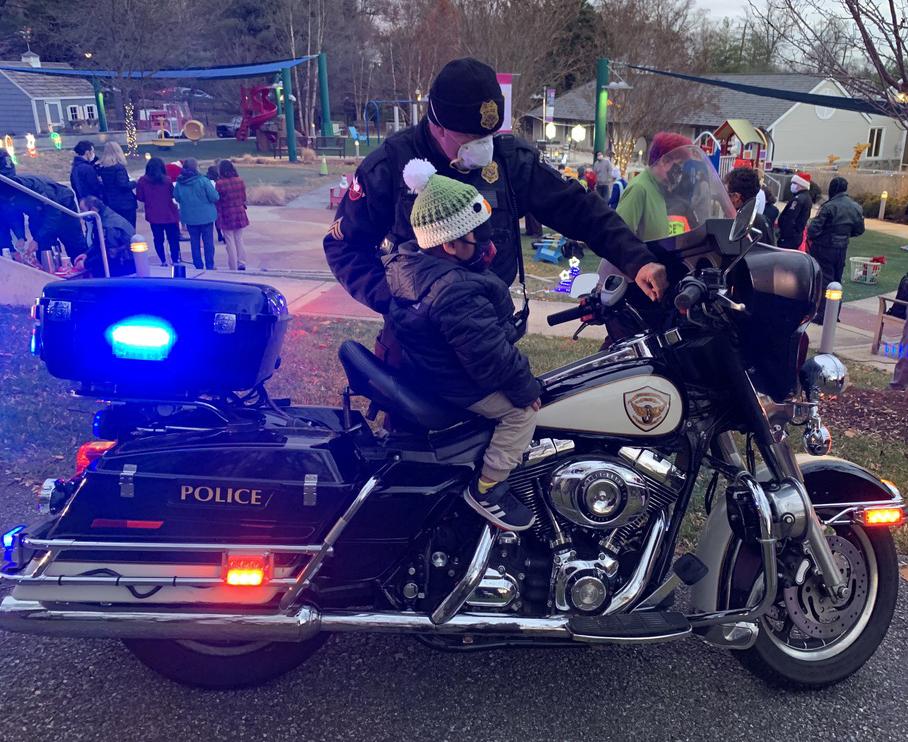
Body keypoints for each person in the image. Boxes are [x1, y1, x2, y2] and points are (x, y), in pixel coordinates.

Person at [324, 57, 666, 362]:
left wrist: (637, 259)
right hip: (415, 346)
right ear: (437, 124)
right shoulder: (390, 165)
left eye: (489, 134)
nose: (483, 146)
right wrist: (395, 302)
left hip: (488, 340)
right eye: (470, 137)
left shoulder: (510, 159)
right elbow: (343, 247)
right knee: (409, 435)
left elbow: (579, 208)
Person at [384, 159, 539, 530]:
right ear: (450, 245)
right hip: (456, 381)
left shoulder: (412, 266)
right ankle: (488, 486)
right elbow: (490, 356)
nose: (485, 244)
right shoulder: (455, 291)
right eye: (477, 237)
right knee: (524, 412)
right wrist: (524, 387)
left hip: (434, 370)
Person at [0, 151, 87, 262]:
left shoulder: (30, 188)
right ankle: (49, 269)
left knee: (74, 243)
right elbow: (13, 213)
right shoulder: (5, 193)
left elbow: (54, 213)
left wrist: (37, 239)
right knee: (43, 249)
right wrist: (20, 236)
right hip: (38, 212)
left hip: (63, 206)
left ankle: (83, 268)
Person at [807, 176, 865, 322]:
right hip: (841, 248)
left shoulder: (829, 206)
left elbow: (813, 230)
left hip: (824, 248)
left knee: (824, 281)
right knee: (837, 281)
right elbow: (859, 230)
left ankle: (823, 315)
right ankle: (834, 313)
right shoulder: (855, 207)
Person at [72, 196, 136, 278]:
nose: (82, 213)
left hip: (123, 265)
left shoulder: (108, 226)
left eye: (83, 210)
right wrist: (87, 254)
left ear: (93, 209)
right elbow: (99, 244)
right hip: (121, 260)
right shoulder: (104, 216)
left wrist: (86, 263)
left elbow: (110, 254)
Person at [173, 158, 219, 269]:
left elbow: (177, 197)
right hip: (206, 216)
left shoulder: (180, 183)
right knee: (208, 243)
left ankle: (198, 265)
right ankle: (210, 265)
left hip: (190, 217)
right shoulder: (203, 181)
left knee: (194, 243)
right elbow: (214, 197)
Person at [136, 156, 182, 266]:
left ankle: (163, 260)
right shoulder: (167, 180)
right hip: (169, 214)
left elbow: (140, 197)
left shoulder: (142, 181)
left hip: (154, 215)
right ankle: (175, 259)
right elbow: (173, 195)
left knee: (158, 239)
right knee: (173, 239)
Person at [724, 167, 775, 246]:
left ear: (736, 197)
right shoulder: (762, 220)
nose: (723, 197)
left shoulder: (739, 225)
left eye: (725, 192)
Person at [215, 159, 249, 271]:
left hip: (226, 213)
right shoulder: (240, 180)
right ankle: (242, 262)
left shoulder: (219, 183)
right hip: (239, 212)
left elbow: (217, 200)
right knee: (239, 239)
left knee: (229, 241)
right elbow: (244, 198)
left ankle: (233, 266)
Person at [98, 141, 137, 227]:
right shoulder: (118, 168)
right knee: (129, 228)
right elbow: (123, 185)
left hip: (111, 202)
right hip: (125, 203)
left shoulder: (103, 168)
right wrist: (134, 183)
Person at [778, 172, 813, 249]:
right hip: (796, 236)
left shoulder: (798, 200)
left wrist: (784, 233)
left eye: (794, 183)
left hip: (789, 238)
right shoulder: (806, 197)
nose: (792, 185)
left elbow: (789, 219)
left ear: (800, 184)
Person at [206, 163, 226, 244]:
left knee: (216, 220)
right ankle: (222, 235)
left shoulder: (207, 181)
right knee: (221, 219)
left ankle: (219, 234)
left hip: (211, 203)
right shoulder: (219, 181)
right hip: (219, 203)